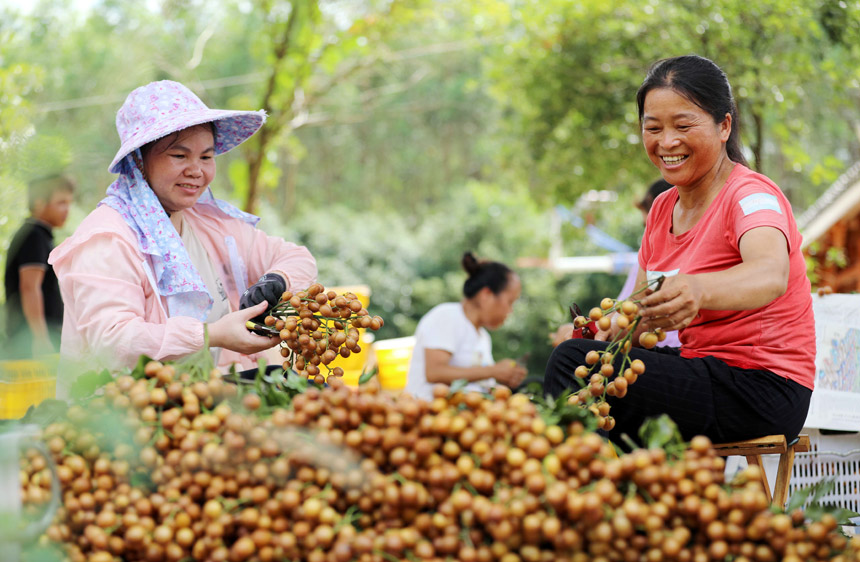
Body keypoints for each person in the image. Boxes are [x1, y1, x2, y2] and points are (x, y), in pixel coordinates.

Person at [545, 55, 814, 447]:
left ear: (724, 125)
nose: (666, 142)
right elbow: (642, 316)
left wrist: (699, 289)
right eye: (652, 128)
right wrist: (609, 332)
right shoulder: (660, 211)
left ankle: (571, 494)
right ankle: (625, 499)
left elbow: (770, 273)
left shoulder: (752, 196)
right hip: (703, 372)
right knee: (588, 364)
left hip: (763, 387)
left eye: (683, 126)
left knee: (572, 365)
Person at [49, 80, 317, 383]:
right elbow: (112, 341)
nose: (196, 170)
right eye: (179, 156)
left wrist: (278, 279)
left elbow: (297, 258)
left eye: (206, 156)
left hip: (201, 401)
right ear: (139, 159)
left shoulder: (208, 223)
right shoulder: (108, 237)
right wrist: (211, 335)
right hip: (124, 417)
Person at [549, 178, 680, 348]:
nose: (648, 234)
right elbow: (623, 313)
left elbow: (625, 318)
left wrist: (580, 331)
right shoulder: (649, 257)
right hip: (653, 347)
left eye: (648, 225)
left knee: (566, 354)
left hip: (665, 352)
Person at [405, 252, 527, 401]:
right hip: (429, 413)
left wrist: (502, 379)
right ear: (486, 295)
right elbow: (434, 372)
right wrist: (493, 371)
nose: (510, 311)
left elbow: (478, 382)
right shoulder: (447, 316)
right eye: (509, 302)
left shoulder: (483, 337)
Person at [4, 174, 74, 358]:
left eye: (69, 203)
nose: (67, 209)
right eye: (61, 203)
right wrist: (40, 338)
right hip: (29, 340)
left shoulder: (39, 235)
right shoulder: (33, 235)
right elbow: (29, 287)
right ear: (39, 203)